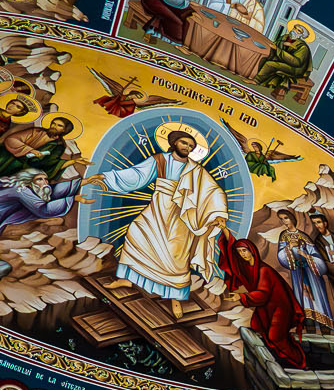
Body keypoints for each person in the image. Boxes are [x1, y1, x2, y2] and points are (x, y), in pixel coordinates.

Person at [83, 123, 229, 316]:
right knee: (136, 233)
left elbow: (214, 191)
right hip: (158, 208)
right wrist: (107, 177)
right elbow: (136, 175)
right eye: (184, 143)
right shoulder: (160, 160)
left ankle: (174, 297)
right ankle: (128, 278)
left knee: (175, 256)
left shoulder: (196, 170)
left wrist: (218, 214)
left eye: (191, 146)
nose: (187, 148)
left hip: (181, 216)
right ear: (174, 142)